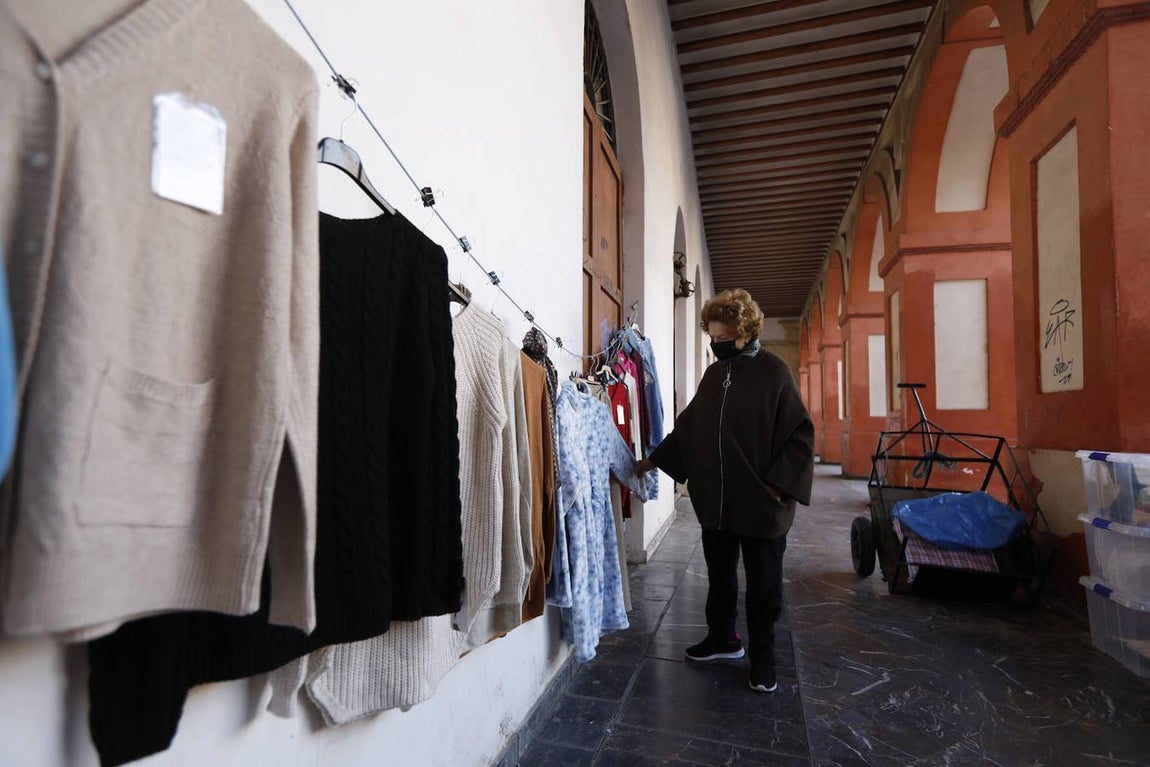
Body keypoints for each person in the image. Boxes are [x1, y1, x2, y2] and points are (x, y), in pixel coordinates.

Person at [638, 288, 814, 693]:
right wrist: (651, 459)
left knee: (764, 586)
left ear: (745, 332)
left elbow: (800, 436)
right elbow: (690, 427)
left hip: (761, 504)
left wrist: (778, 487)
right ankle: (723, 639)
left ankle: (763, 659)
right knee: (720, 579)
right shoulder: (715, 375)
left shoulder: (775, 373)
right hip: (717, 502)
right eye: (712, 338)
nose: (716, 345)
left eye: (723, 338)